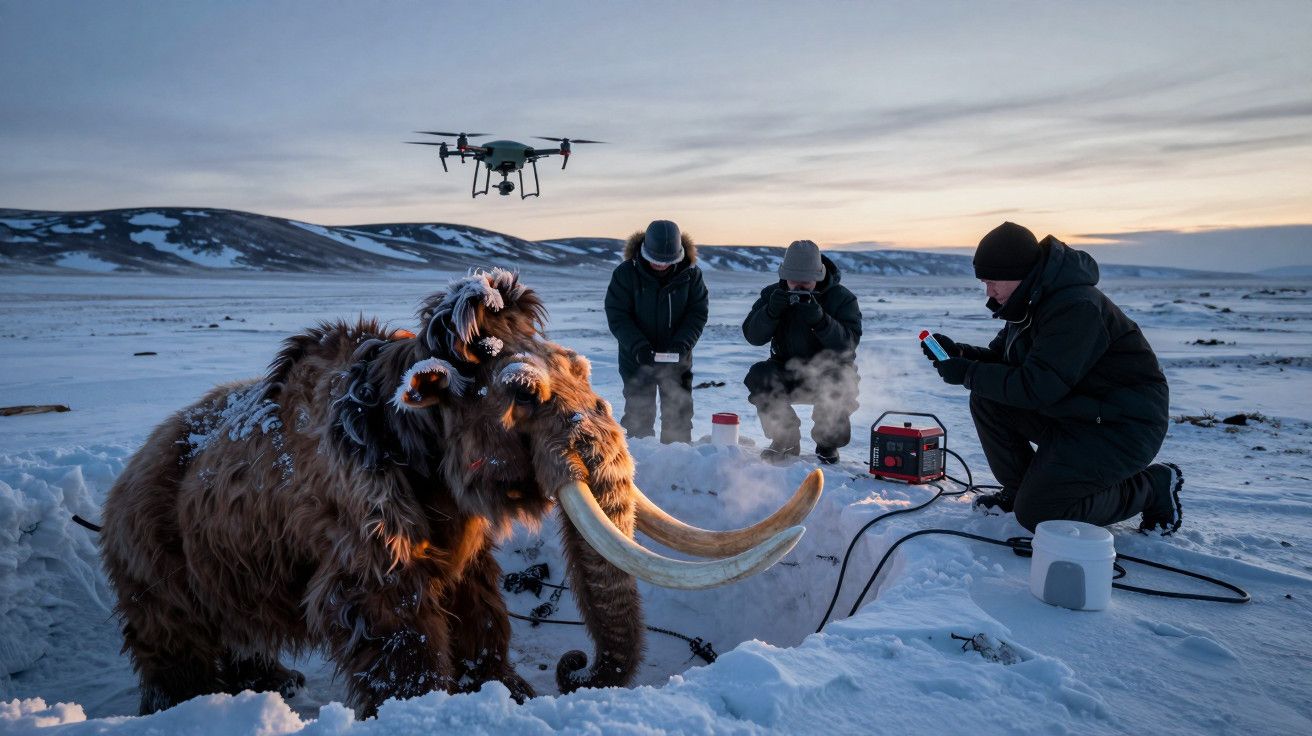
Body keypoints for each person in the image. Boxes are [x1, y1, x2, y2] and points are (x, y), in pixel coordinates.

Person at [923, 221, 1182, 534]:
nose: (989, 291)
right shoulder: (1029, 301)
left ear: (1019, 272)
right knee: (987, 397)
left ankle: (1151, 486)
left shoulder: (1075, 307)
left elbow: (1037, 386)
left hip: (1121, 426)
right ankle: (1020, 489)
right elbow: (1004, 362)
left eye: (993, 281)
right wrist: (962, 354)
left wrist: (968, 373)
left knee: (1040, 514)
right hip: (1077, 414)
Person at [742, 240, 861, 464]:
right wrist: (771, 311)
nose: (798, 288)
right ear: (784, 275)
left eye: (805, 283)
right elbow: (753, 337)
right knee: (759, 374)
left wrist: (820, 320)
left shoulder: (842, 298)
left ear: (818, 276)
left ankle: (827, 444)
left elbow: (848, 345)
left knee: (841, 380)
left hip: (830, 373)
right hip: (787, 371)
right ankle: (784, 438)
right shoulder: (773, 295)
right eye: (793, 282)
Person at [605, 220, 708, 443]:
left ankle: (678, 463)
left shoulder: (691, 276)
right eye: (655, 260)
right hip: (636, 357)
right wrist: (638, 346)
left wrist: (682, 344)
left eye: (667, 261)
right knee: (638, 415)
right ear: (644, 251)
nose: (661, 265)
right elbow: (617, 315)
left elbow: (697, 314)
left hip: (678, 357)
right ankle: (640, 464)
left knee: (678, 414)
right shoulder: (625, 274)